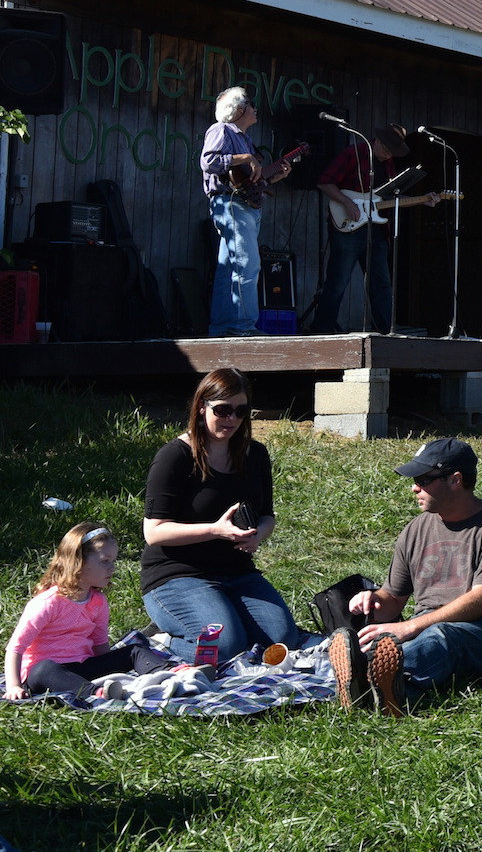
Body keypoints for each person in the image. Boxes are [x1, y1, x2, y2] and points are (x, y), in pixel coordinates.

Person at [335, 438, 482, 717]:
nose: (414, 487)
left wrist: (411, 627)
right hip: (424, 630)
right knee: (418, 639)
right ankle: (384, 694)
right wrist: (373, 600)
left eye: (423, 479)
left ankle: (366, 681)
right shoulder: (415, 529)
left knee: (441, 636)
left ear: (455, 480)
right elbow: (393, 599)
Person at [140, 369, 301, 661]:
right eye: (223, 410)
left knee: (283, 640)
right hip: (178, 573)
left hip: (236, 571)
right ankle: (157, 643)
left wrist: (257, 536)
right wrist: (215, 530)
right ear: (202, 407)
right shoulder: (174, 457)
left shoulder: (255, 455)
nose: (232, 420)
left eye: (241, 411)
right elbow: (154, 531)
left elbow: (267, 516)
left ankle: (226, 622)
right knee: (225, 647)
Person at [7, 524, 173, 698]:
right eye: (104, 561)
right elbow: (15, 648)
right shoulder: (48, 603)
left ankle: (172, 672)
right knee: (43, 669)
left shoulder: (97, 601)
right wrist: (14, 686)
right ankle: (97, 693)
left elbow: (100, 644)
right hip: (47, 675)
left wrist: (109, 665)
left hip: (82, 668)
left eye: (113, 561)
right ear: (78, 562)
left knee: (134, 650)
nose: (112, 568)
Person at [311, 125, 438, 333]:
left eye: (393, 151)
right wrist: (347, 203)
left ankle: (386, 331)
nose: (389, 154)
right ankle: (321, 329)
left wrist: (422, 200)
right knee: (338, 280)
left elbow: (386, 198)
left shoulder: (388, 163)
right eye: (387, 148)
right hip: (349, 227)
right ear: (377, 141)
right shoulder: (353, 153)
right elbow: (325, 183)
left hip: (377, 229)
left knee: (381, 283)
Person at [200, 87, 292, 337]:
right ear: (238, 109)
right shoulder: (222, 130)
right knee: (247, 265)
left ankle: (220, 329)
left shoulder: (244, 138)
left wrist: (276, 177)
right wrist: (245, 158)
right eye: (250, 105)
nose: (255, 109)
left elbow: (250, 182)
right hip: (230, 204)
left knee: (228, 269)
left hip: (241, 204)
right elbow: (208, 162)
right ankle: (243, 327)